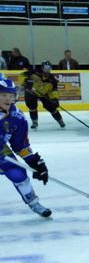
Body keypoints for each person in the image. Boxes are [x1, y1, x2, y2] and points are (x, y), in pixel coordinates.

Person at [0, 77, 51, 217]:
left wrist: (33, 161)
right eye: (3, 95)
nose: (8, 99)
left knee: (18, 174)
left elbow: (20, 144)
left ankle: (34, 203)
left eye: (11, 95)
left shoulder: (17, 118)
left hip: (1, 149)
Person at [23, 61, 64, 129]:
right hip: (32, 92)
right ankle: (34, 122)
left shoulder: (52, 80)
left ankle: (60, 121)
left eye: (49, 68)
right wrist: (25, 83)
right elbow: (22, 76)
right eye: (45, 68)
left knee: (52, 108)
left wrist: (54, 99)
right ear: (42, 68)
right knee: (32, 106)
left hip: (44, 93)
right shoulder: (33, 73)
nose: (47, 70)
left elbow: (54, 91)